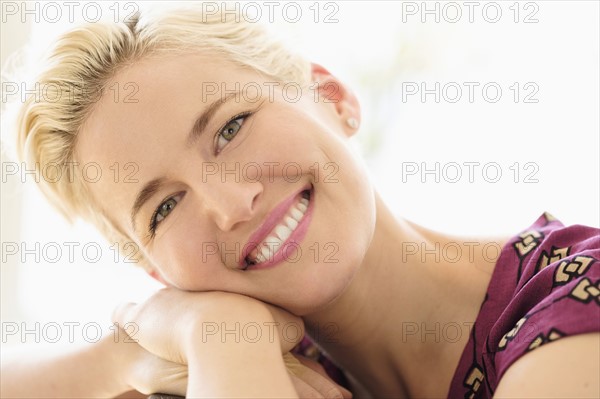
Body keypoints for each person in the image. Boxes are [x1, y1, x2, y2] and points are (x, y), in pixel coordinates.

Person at [2, 4, 599, 398]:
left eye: (231, 128)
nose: (229, 205)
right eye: (163, 208)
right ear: (156, 269)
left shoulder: (572, 306)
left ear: (330, 96)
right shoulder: (258, 358)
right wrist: (155, 343)